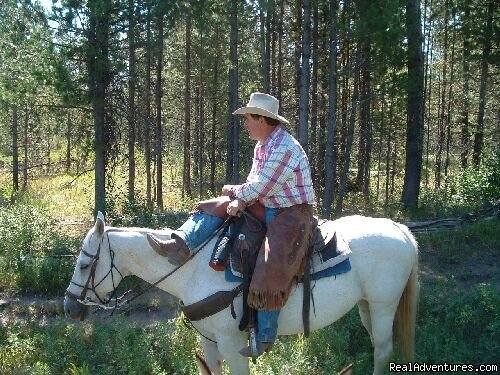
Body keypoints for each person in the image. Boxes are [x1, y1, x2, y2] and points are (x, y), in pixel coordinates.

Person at [148, 92, 315, 358]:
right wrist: (237, 197)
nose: (246, 123)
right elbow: (253, 185)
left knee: (271, 263)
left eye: (249, 118)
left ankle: (265, 336)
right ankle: (180, 242)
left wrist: (237, 195)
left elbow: (262, 186)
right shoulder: (263, 145)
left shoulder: (284, 147)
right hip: (269, 203)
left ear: (262, 119)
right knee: (217, 205)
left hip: (291, 212)